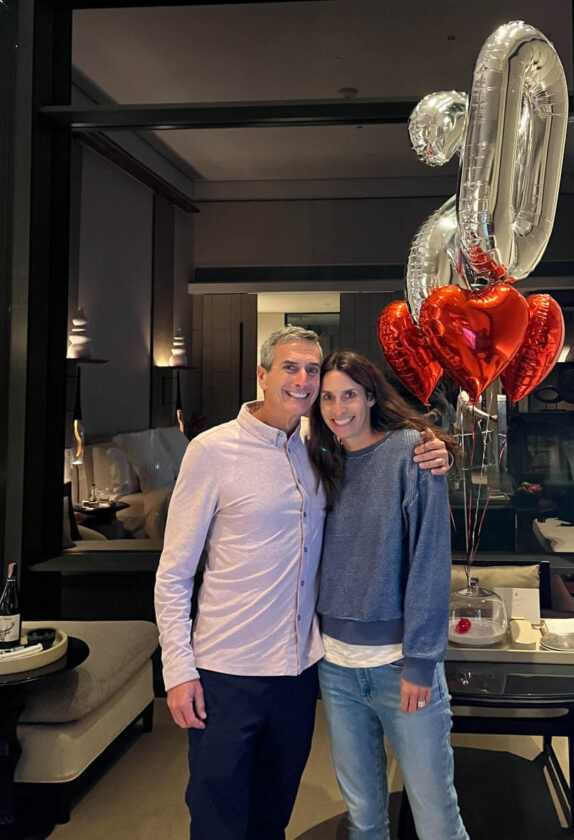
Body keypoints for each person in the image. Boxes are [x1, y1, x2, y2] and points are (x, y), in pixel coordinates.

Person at [154, 326, 450, 840]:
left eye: (313, 370)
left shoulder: (318, 447)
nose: (304, 380)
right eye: (291, 367)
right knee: (218, 815)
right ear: (262, 374)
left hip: (300, 671)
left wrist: (439, 452)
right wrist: (177, 669)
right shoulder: (212, 451)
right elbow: (175, 573)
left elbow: (386, 463)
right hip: (226, 672)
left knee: (274, 814)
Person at [307, 351, 469, 840]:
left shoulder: (410, 451)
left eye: (350, 395)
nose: (339, 409)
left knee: (436, 819)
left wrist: (421, 660)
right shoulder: (320, 461)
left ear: (372, 396)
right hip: (335, 667)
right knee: (363, 818)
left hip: (401, 666)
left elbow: (430, 559)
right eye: (328, 398)